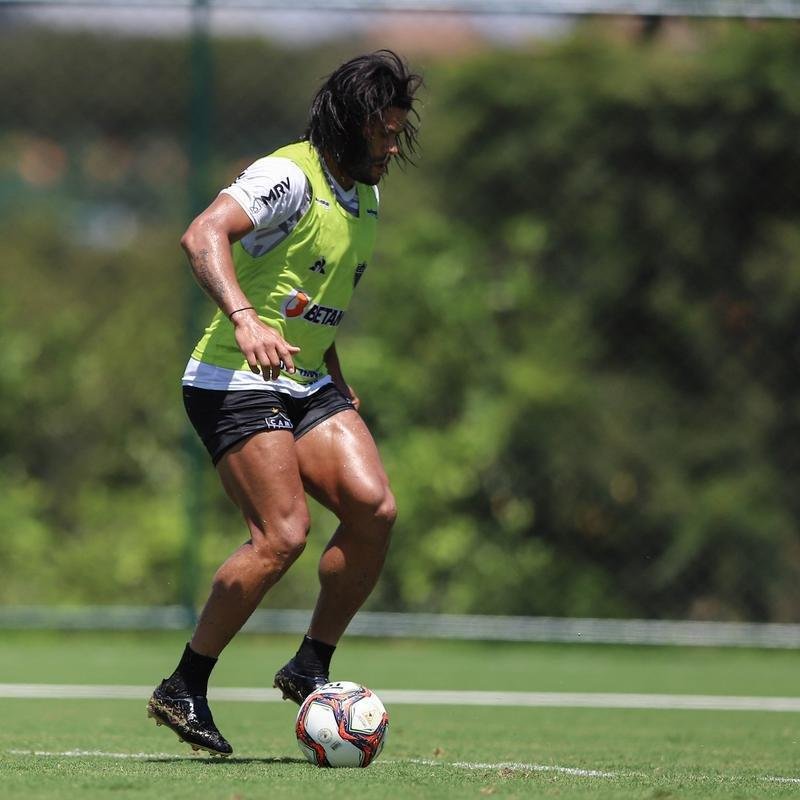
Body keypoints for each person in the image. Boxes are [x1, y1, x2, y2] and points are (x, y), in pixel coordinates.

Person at [146, 50, 422, 757]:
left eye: (398, 133)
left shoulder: (367, 194)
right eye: (384, 134)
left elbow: (314, 298)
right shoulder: (286, 176)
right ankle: (185, 685)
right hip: (233, 375)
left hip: (305, 379)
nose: (393, 147)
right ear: (351, 125)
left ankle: (310, 666)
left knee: (374, 509)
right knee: (283, 536)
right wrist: (243, 316)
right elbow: (202, 233)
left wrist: (334, 369)